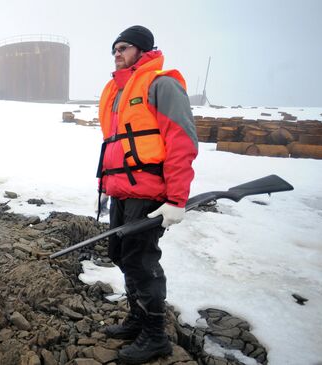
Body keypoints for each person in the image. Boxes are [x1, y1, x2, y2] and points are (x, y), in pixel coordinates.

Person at [95, 25, 198, 364]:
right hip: (121, 191)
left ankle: (155, 338)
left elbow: (182, 142)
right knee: (122, 256)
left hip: (150, 192)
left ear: (142, 50)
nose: (117, 54)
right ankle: (137, 320)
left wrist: (177, 199)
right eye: (115, 49)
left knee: (142, 261)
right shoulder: (118, 90)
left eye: (123, 48)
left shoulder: (161, 84)